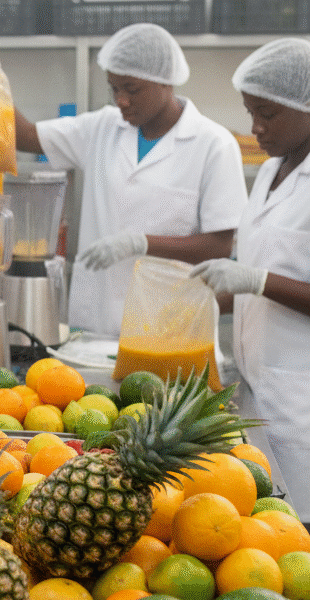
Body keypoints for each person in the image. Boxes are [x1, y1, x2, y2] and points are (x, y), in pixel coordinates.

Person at [10, 23, 247, 336]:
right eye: (114, 88)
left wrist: (140, 243)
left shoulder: (213, 144)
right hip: (97, 320)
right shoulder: (101, 128)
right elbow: (25, 137)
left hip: (169, 323)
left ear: (166, 82)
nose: (121, 99)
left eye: (132, 89)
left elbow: (218, 245)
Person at [190, 38, 310, 524]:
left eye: (267, 114)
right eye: (250, 113)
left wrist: (255, 279)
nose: (255, 128)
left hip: (301, 398)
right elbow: (257, 283)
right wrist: (195, 302)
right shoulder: (268, 172)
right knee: (268, 534)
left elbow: (263, 280)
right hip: (257, 390)